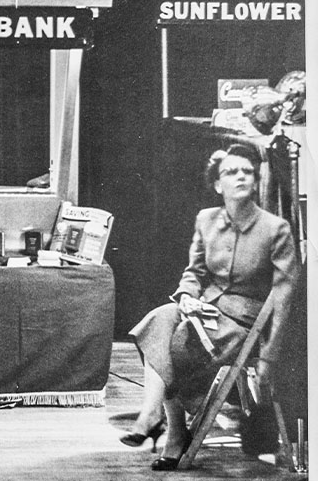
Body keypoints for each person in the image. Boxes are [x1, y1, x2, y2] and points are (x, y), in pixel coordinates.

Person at [120, 144, 299, 471]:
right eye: (232, 172)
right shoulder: (206, 220)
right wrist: (187, 295)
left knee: (170, 344)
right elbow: (195, 273)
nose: (241, 176)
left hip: (242, 325)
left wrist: (270, 357)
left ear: (257, 181)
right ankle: (155, 417)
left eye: (247, 171)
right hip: (202, 310)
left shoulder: (275, 230)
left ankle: (170, 429)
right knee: (156, 321)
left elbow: (284, 299)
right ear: (218, 184)